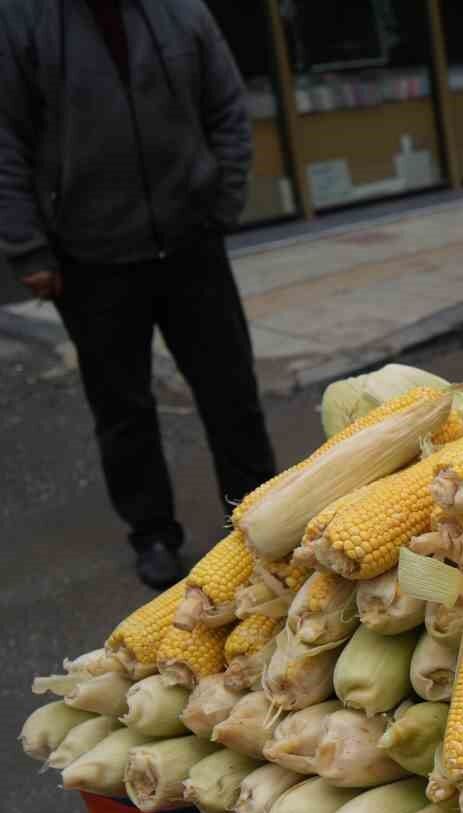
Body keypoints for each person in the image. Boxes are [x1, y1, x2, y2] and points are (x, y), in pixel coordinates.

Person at [0, 0, 276, 588]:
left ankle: (260, 518)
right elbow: (6, 140)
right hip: (89, 255)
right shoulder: (22, 18)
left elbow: (227, 107)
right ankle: (152, 534)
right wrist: (28, 248)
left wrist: (222, 202)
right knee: (121, 408)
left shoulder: (182, 10)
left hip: (190, 242)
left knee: (231, 393)